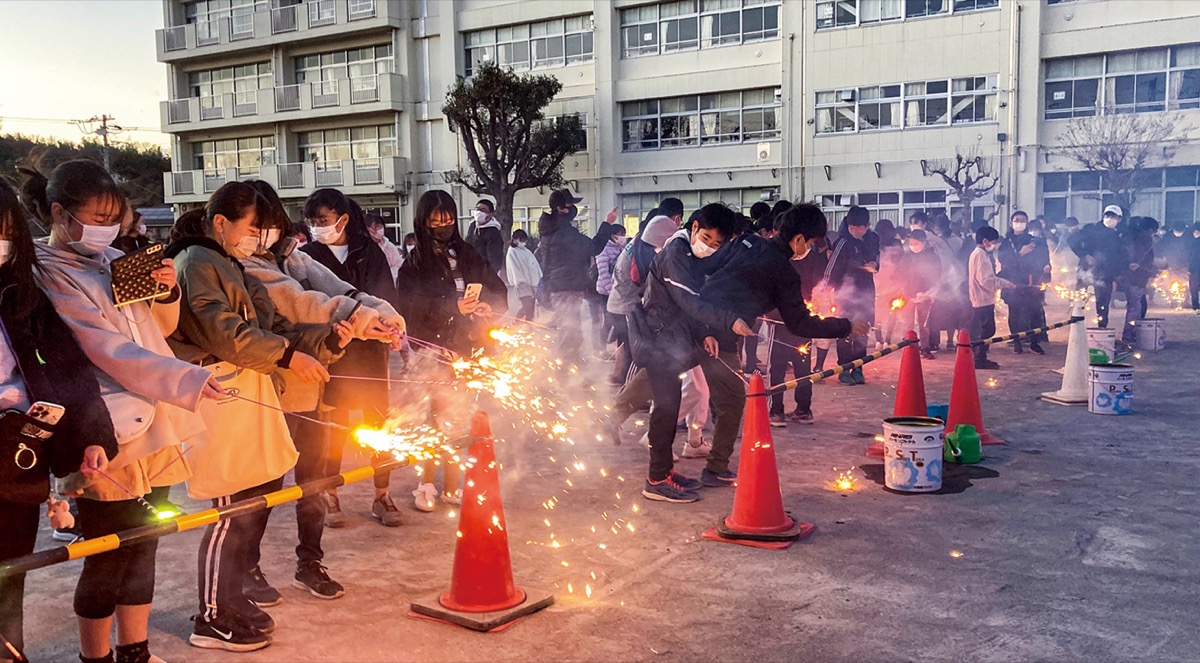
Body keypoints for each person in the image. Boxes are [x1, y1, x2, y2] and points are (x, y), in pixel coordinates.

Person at [20, 158, 223, 663]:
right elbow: (103, 347)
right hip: (104, 430)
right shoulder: (46, 272)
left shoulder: (114, 257)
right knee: (106, 550)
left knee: (145, 543)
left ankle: (136, 649)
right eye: (94, 218)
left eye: (113, 219)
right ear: (58, 213)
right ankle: (97, 657)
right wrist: (188, 379)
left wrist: (167, 289)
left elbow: (158, 327)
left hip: (156, 417)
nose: (105, 229)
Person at [168, 181, 342, 652]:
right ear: (221, 222)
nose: (260, 237)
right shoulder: (195, 263)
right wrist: (287, 356)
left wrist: (330, 338)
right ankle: (210, 615)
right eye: (253, 227)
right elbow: (223, 332)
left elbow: (272, 329)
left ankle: (233, 596)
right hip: (218, 393)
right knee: (230, 509)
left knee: (254, 499)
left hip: (248, 390)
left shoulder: (230, 263)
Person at [240, 180, 401, 602]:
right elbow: (299, 302)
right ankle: (248, 568)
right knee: (266, 484)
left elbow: (338, 289)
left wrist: (382, 313)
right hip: (271, 388)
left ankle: (309, 561)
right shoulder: (242, 264)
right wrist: (360, 317)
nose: (266, 234)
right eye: (256, 225)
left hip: (315, 386)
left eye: (271, 223)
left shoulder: (292, 256)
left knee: (314, 481)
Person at [0, 178, 117, 663]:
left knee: (9, 578)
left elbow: (68, 372)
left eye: (5, 231)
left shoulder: (21, 296)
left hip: (16, 459)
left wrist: (90, 437)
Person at [631, 204, 754, 503]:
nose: (709, 247)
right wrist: (727, 321)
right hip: (659, 341)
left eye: (716, 244)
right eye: (707, 238)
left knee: (670, 408)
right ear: (695, 226)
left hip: (672, 339)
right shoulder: (676, 252)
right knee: (665, 410)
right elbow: (687, 300)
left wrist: (705, 333)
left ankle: (664, 471)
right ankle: (656, 479)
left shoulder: (689, 254)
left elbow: (689, 303)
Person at [396, 190, 506, 511]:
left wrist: (488, 306)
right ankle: (427, 482)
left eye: (447, 219)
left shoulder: (469, 253)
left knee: (460, 415)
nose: (443, 225)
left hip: (469, 345)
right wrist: (450, 307)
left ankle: (453, 483)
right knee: (435, 415)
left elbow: (496, 286)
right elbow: (412, 309)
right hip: (436, 348)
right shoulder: (414, 265)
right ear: (423, 221)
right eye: (435, 220)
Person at [301, 190, 404, 527]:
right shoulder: (308, 255)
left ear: (343, 219)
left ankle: (382, 494)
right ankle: (331, 494)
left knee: (379, 424)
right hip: (333, 350)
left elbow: (384, 296)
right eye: (313, 222)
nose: (318, 227)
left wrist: (391, 329)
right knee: (335, 428)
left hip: (371, 352)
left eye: (324, 221)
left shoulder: (367, 251)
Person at [753, 206, 863, 428]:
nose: (810, 246)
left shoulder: (796, 257)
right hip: (792, 318)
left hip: (794, 317)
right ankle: (791, 409)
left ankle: (787, 410)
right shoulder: (786, 257)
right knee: (791, 363)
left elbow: (816, 282)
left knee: (790, 365)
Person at [606, 217, 678, 389]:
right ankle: (629, 392)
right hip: (627, 307)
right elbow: (643, 285)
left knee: (627, 346)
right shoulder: (644, 253)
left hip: (619, 305)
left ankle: (619, 378)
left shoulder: (638, 244)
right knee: (636, 350)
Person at [535, 188, 594, 364]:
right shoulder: (563, 233)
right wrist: (607, 224)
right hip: (565, 287)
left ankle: (572, 369)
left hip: (562, 286)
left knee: (572, 331)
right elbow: (592, 246)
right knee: (569, 332)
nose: (573, 209)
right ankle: (564, 373)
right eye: (570, 205)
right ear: (560, 208)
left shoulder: (553, 229)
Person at [821, 206, 875, 385]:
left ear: (867, 226)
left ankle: (858, 368)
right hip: (845, 295)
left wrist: (875, 265)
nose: (855, 231)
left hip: (865, 293)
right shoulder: (842, 243)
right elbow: (831, 269)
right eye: (852, 228)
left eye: (859, 228)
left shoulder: (871, 240)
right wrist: (823, 290)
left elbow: (877, 261)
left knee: (861, 332)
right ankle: (843, 369)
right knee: (845, 331)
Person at [997, 210, 1050, 355]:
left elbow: (1043, 258)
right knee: (1014, 313)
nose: (1019, 223)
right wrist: (1020, 254)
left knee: (1034, 312)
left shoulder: (1035, 241)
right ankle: (1017, 342)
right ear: (1011, 223)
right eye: (1017, 220)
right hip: (1013, 283)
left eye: (1022, 220)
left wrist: (1046, 266)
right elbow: (1004, 260)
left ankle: (1034, 342)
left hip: (1031, 282)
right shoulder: (1006, 243)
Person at [1069, 205, 1126, 329]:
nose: (1109, 218)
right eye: (1107, 215)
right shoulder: (1091, 229)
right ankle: (1078, 331)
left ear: (1120, 218)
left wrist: (1116, 276)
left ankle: (1101, 331)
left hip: (1106, 276)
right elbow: (1072, 239)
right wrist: (1084, 255)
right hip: (1086, 274)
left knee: (1102, 305)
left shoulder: (1118, 235)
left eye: (1113, 216)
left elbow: (1117, 257)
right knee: (1082, 303)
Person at [968, 227, 1017, 370]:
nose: (994, 245)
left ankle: (979, 357)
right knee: (987, 331)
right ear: (985, 241)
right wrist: (1004, 283)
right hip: (982, 299)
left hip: (981, 298)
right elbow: (985, 280)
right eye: (993, 242)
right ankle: (979, 359)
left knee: (986, 330)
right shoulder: (980, 255)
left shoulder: (978, 254)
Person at [902, 230, 943, 359]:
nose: (913, 246)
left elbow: (937, 275)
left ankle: (925, 348)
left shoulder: (933, 257)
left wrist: (931, 292)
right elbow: (900, 273)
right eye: (911, 243)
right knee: (908, 323)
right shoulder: (907, 256)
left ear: (924, 242)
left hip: (925, 294)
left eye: (916, 243)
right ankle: (908, 346)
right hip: (908, 294)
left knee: (924, 324)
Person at [506, 229, 542, 321]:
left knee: (531, 306)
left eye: (524, 240)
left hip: (531, 283)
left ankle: (528, 324)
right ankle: (516, 321)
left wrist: (539, 278)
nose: (523, 242)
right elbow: (513, 267)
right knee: (527, 305)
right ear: (514, 239)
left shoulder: (526, 251)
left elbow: (535, 265)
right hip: (522, 284)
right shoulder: (512, 252)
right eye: (520, 240)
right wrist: (519, 281)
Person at [470, 200, 505, 276]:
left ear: (490, 214)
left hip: (485, 275)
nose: (479, 212)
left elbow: (495, 259)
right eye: (477, 209)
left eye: (483, 210)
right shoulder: (473, 227)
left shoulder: (493, 232)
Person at [366, 213, 403, 282]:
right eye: (376, 226)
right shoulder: (363, 248)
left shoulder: (389, 246)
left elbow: (399, 266)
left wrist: (386, 274)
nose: (380, 229)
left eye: (381, 226)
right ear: (368, 229)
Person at [1190, 222, 1200, 310]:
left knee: (1194, 287)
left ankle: (1196, 306)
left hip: (1196, 268)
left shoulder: (1195, 242)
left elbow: (1193, 256)